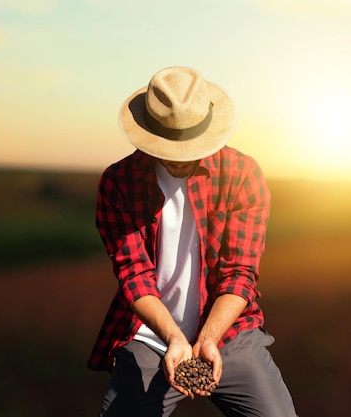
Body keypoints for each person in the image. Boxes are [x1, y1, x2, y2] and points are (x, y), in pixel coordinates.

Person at [88, 66, 298, 417]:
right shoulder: (118, 183)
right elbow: (133, 276)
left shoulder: (242, 175)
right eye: (170, 145)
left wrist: (210, 338)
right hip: (151, 336)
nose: (180, 156)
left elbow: (240, 273)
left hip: (230, 334)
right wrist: (172, 338)